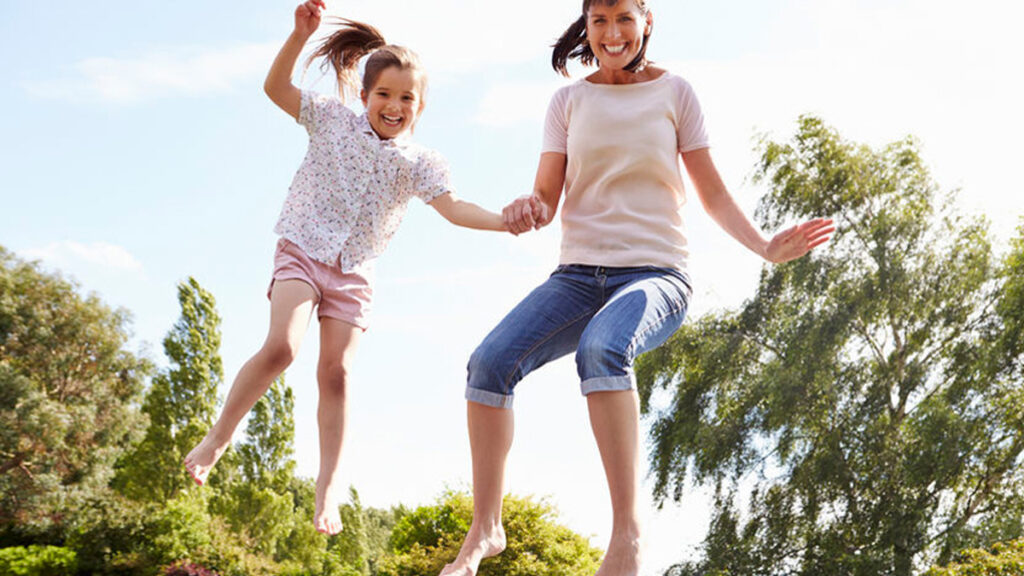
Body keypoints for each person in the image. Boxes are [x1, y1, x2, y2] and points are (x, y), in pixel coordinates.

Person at [440, 0, 834, 574]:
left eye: (623, 17)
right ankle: (486, 528)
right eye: (599, 21)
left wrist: (766, 247)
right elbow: (547, 197)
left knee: (604, 346)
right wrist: (530, 206)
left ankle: (627, 534)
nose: (611, 32)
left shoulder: (676, 93)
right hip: (577, 276)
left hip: (656, 274)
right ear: (588, 27)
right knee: (489, 361)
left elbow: (713, 193)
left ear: (647, 20)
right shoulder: (568, 101)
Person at [184, 0, 507, 535]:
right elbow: (276, 89)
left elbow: (454, 209)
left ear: (420, 106)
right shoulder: (332, 120)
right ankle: (217, 438)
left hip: (355, 271)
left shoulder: (421, 163)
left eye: (407, 97)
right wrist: (298, 36)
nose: (394, 105)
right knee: (283, 347)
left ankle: (328, 487)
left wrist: (505, 221)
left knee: (337, 373)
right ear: (364, 97)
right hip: (303, 249)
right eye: (383, 94)